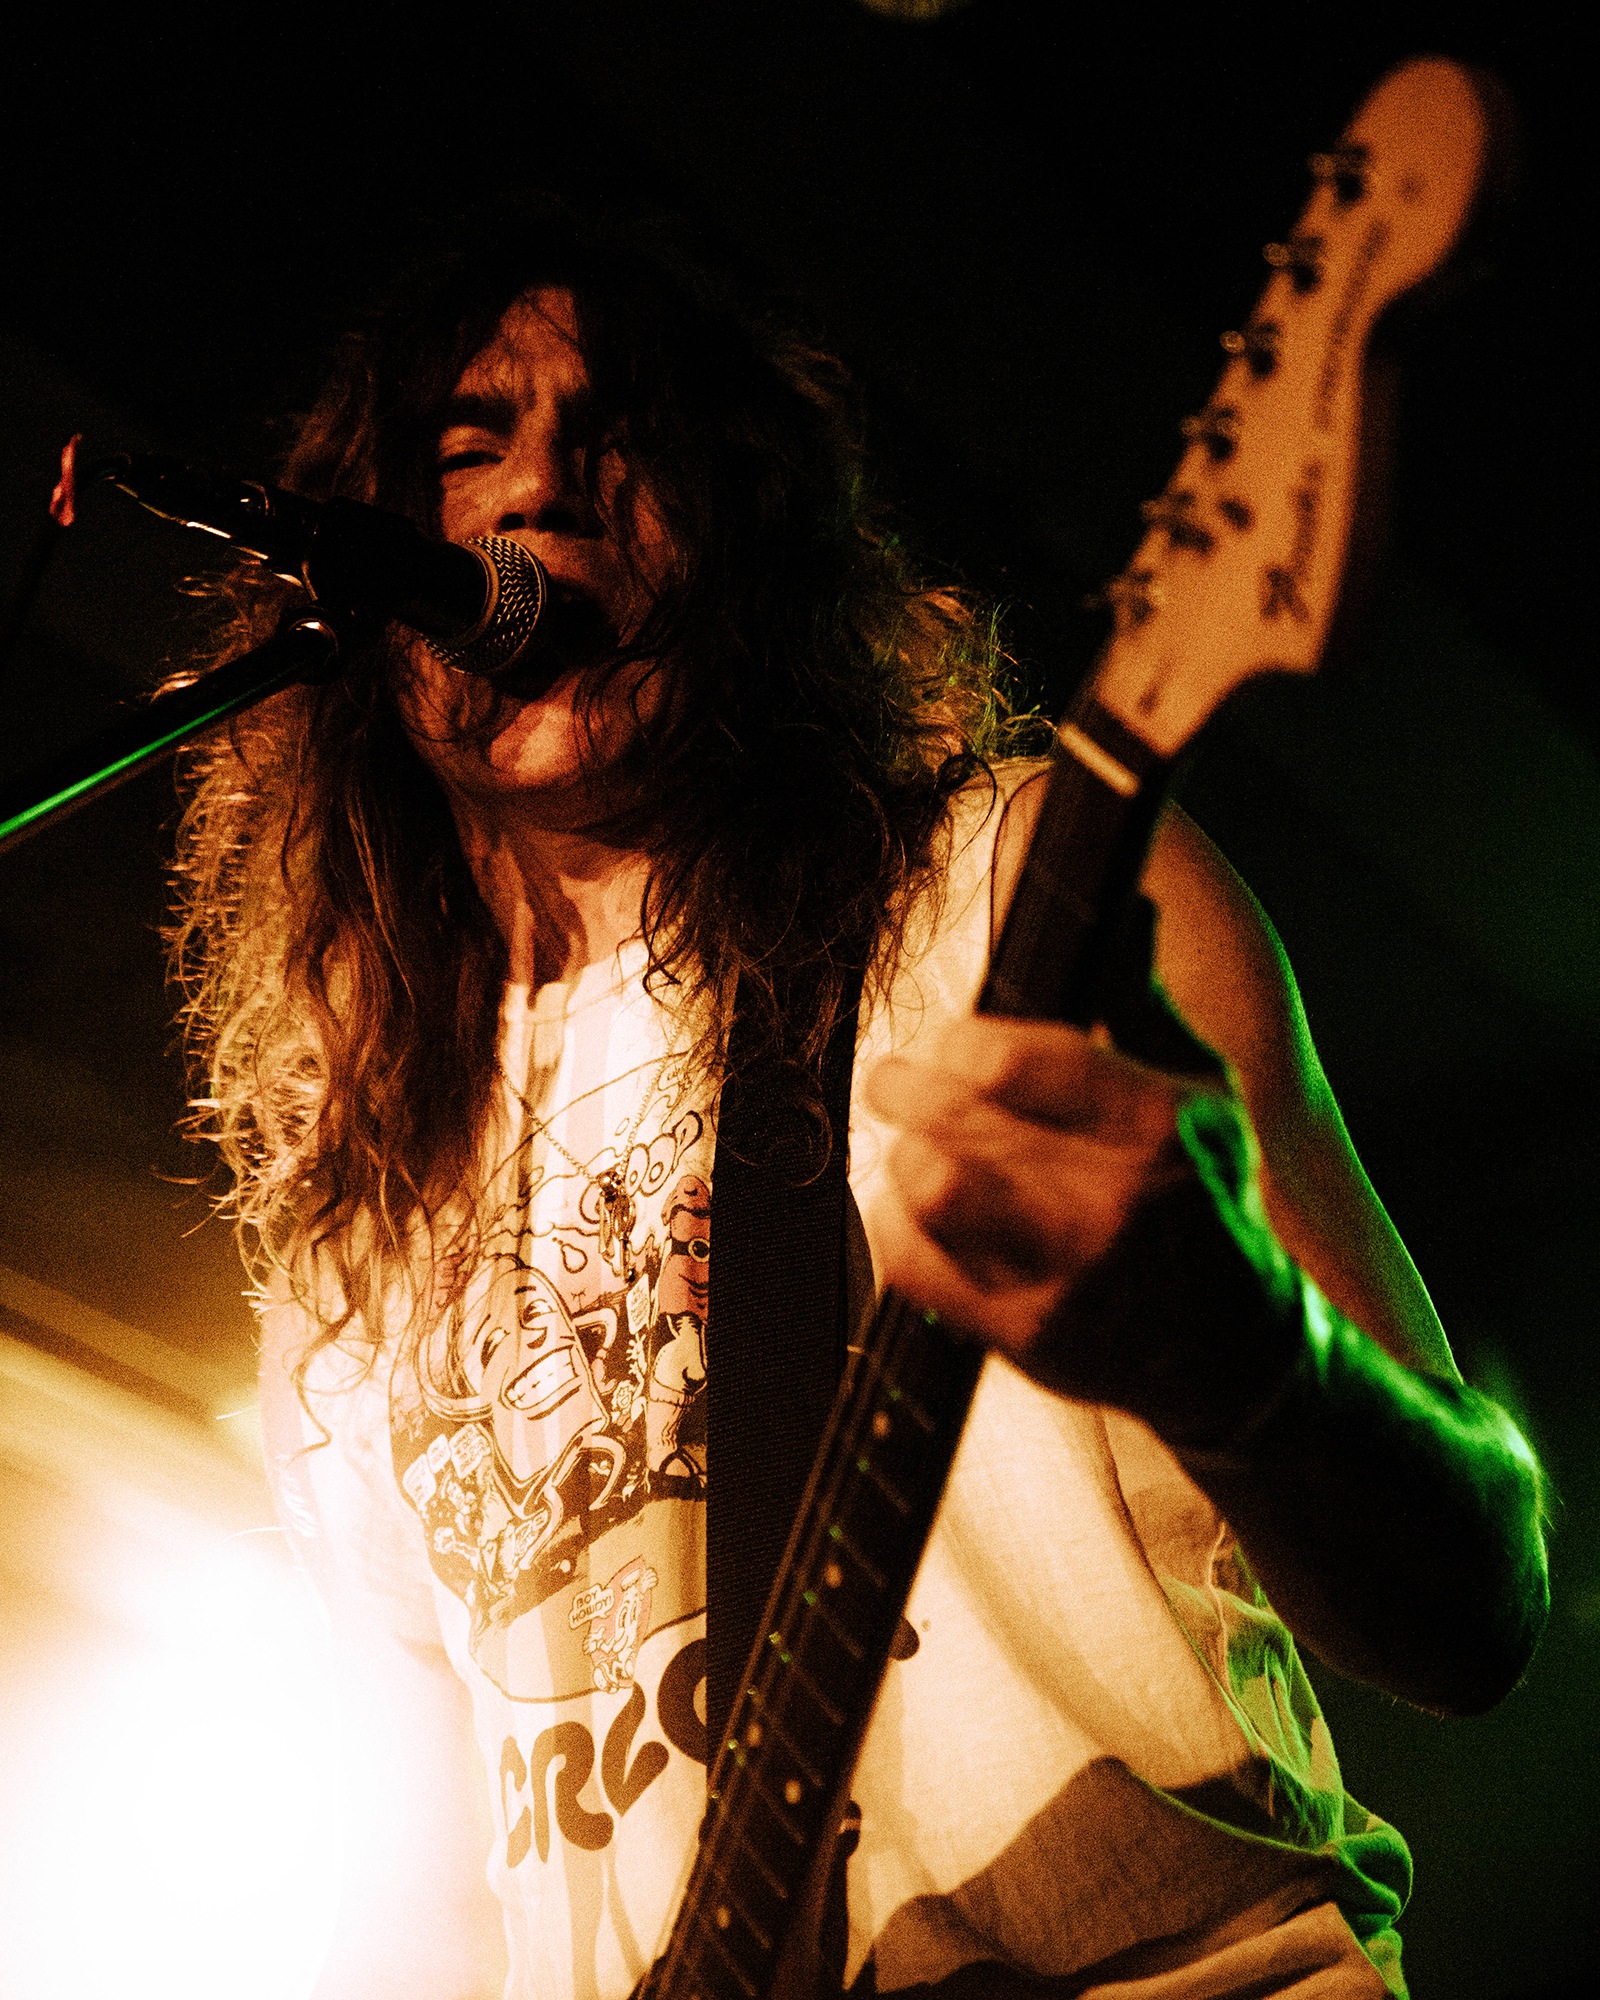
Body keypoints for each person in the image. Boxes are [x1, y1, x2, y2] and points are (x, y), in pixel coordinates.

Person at [170, 200, 1547, 2000]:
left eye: (622, 437)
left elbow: (1476, 1603)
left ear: (745, 525)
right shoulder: (356, 1227)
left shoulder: (1009, 902)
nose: (541, 490)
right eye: (466, 446)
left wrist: (1243, 1346)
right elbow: (433, 1911)